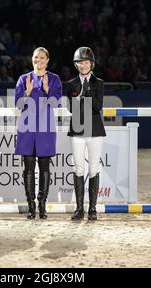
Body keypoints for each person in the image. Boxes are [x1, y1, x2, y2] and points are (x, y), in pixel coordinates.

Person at [15, 47, 62, 219]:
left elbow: (56, 103)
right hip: (27, 129)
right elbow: (19, 105)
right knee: (28, 168)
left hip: (45, 129)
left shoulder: (55, 79)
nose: (38, 60)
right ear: (32, 59)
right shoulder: (23, 79)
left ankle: (42, 204)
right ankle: (31, 205)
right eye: (36, 57)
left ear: (47, 60)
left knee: (44, 168)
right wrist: (27, 91)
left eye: (42, 58)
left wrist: (47, 88)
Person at [67, 47, 106, 221]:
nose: (83, 65)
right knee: (78, 167)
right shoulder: (72, 83)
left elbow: (98, 107)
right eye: (80, 62)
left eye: (86, 62)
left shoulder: (99, 83)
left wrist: (87, 92)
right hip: (77, 129)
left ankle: (92, 209)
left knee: (93, 168)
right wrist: (80, 98)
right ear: (76, 65)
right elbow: (71, 109)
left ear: (92, 63)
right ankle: (79, 208)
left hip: (95, 129)